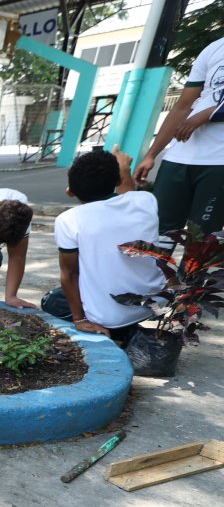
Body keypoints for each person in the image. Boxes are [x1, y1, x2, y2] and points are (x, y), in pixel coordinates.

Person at [41, 147, 166, 343]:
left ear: (70, 191)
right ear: (116, 181)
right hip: (156, 303)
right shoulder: (146, 200)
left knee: (53, 301)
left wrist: (79, 319)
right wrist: (124, 168)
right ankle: (130, 330)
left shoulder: (70, 219)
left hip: (110, 317)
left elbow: (70, 274)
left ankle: (116, 334)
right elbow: (128, 194)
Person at [134, 36, 224, 234]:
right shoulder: (214, 48)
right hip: (179, 157)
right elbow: (182, 106)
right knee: (157, 235)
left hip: (219, 163)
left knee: (201, 241)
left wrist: (206, 114)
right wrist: (151, 155)